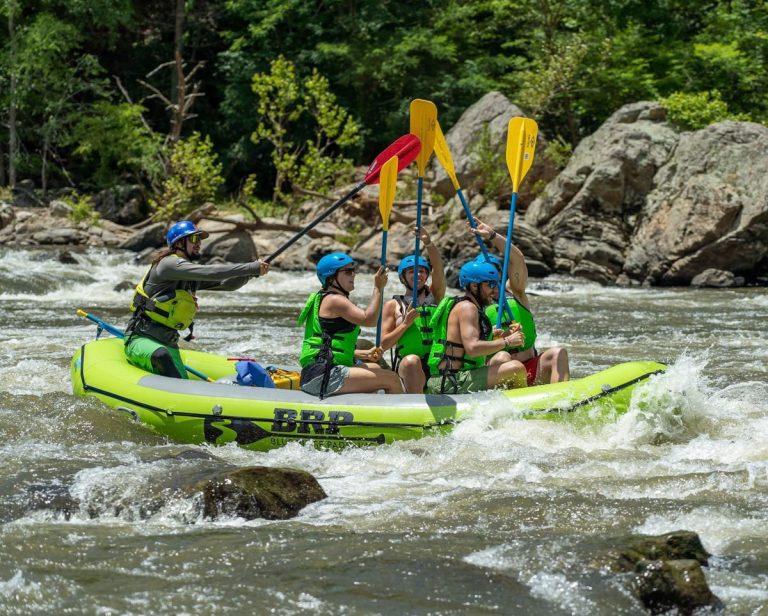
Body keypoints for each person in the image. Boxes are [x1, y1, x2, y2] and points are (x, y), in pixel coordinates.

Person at [124, 220, 269, 378]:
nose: (199, 243)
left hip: (168, 342)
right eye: (194, 239)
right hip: (140, 339)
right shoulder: (168, 265)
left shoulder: (187, 275)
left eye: (200, 239)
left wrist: (250, 274)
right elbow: (211, 272)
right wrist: (251, 267)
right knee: (161, 356)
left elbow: (227, 284)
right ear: (179, 243)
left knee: (172, 366)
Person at [470, 218, 569, 385]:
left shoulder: (514, 290)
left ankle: (564, 402)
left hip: (529, 365)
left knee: (558, 354)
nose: (490, 280)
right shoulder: (473, 305)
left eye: (493, 275)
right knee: (503, 356)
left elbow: (518, 260)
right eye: (485, 278)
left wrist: (493, 236)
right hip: (501, 370)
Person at [298, 252, 404, 398]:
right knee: (391, 378)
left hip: (319, 371)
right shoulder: (335, 300)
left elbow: (327, 346)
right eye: (348, 271)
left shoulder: (324, 298)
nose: (353, 275)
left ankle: (366, 411)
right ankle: (399, 419)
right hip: (323, 375)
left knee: (374, 367)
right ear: (331, 278)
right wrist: (378, 288)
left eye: (354, 271)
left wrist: (362, 354)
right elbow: (370, 320)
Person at [425, 260, 528, 394]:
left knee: (503, 356)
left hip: (457, 376)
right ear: (474, 285)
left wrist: (505, 334)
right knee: (516, 368)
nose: (495, 290)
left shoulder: (467, 306)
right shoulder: (468, 308)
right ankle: (524, 407)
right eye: (490, 284)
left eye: (496, 284)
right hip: (450, 381)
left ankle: (504, 403)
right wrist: (508, 341)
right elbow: (472, 349)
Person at [380, 227, 446, 393]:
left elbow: (439, 270)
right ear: (403, 277)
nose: (418, 275)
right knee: (412, 361)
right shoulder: (393, 305)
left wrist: (428, 243)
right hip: (409, 366)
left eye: (422, 271)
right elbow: (382, 345)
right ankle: (415, 404)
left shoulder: (435, 296)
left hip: (436, 363)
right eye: (412, 271)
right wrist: (405, 324)